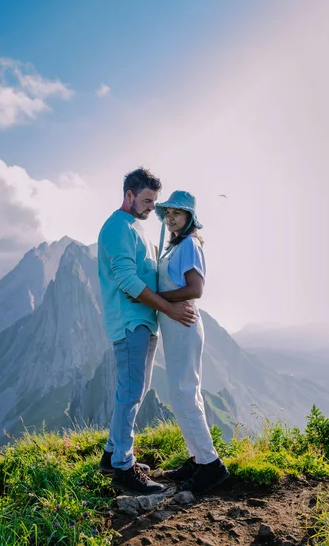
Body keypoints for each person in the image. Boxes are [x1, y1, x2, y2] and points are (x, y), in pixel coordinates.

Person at [97, 169, 197, 495]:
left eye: (154, 202)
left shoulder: (133, 227)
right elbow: (126, 279)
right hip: (130, 324)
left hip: (142, 321)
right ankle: (124, 469)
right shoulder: (116, 228)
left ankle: (113, 455)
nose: (152, 208)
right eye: (147, 201)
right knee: (130, 392)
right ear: (129, 195)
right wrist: (169, 308)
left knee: (135, 390)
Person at [155, 190, 230, 493]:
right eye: (168, 212)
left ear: (190, 217)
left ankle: (211, 465)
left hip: (183, 326)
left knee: (184, 393)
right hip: (176, 328)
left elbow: (194, 288)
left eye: (178, 212)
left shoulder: (188, 244)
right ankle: (197, 458)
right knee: (186, 394)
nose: (171, 217)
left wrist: (157, 298)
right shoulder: (175, 246)